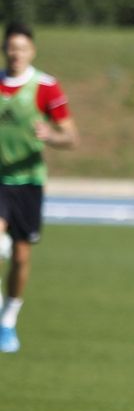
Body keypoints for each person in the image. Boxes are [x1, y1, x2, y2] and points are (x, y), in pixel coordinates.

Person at [0, 23, 78, 354]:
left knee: (20, 256)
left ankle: (8, 321)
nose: (16, 53)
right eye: (11, 47)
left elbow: (71, 137)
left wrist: (51, 136)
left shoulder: (45, 87)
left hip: (29, 182)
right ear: (4, 49)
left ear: (32, 51)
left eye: (22, 48)